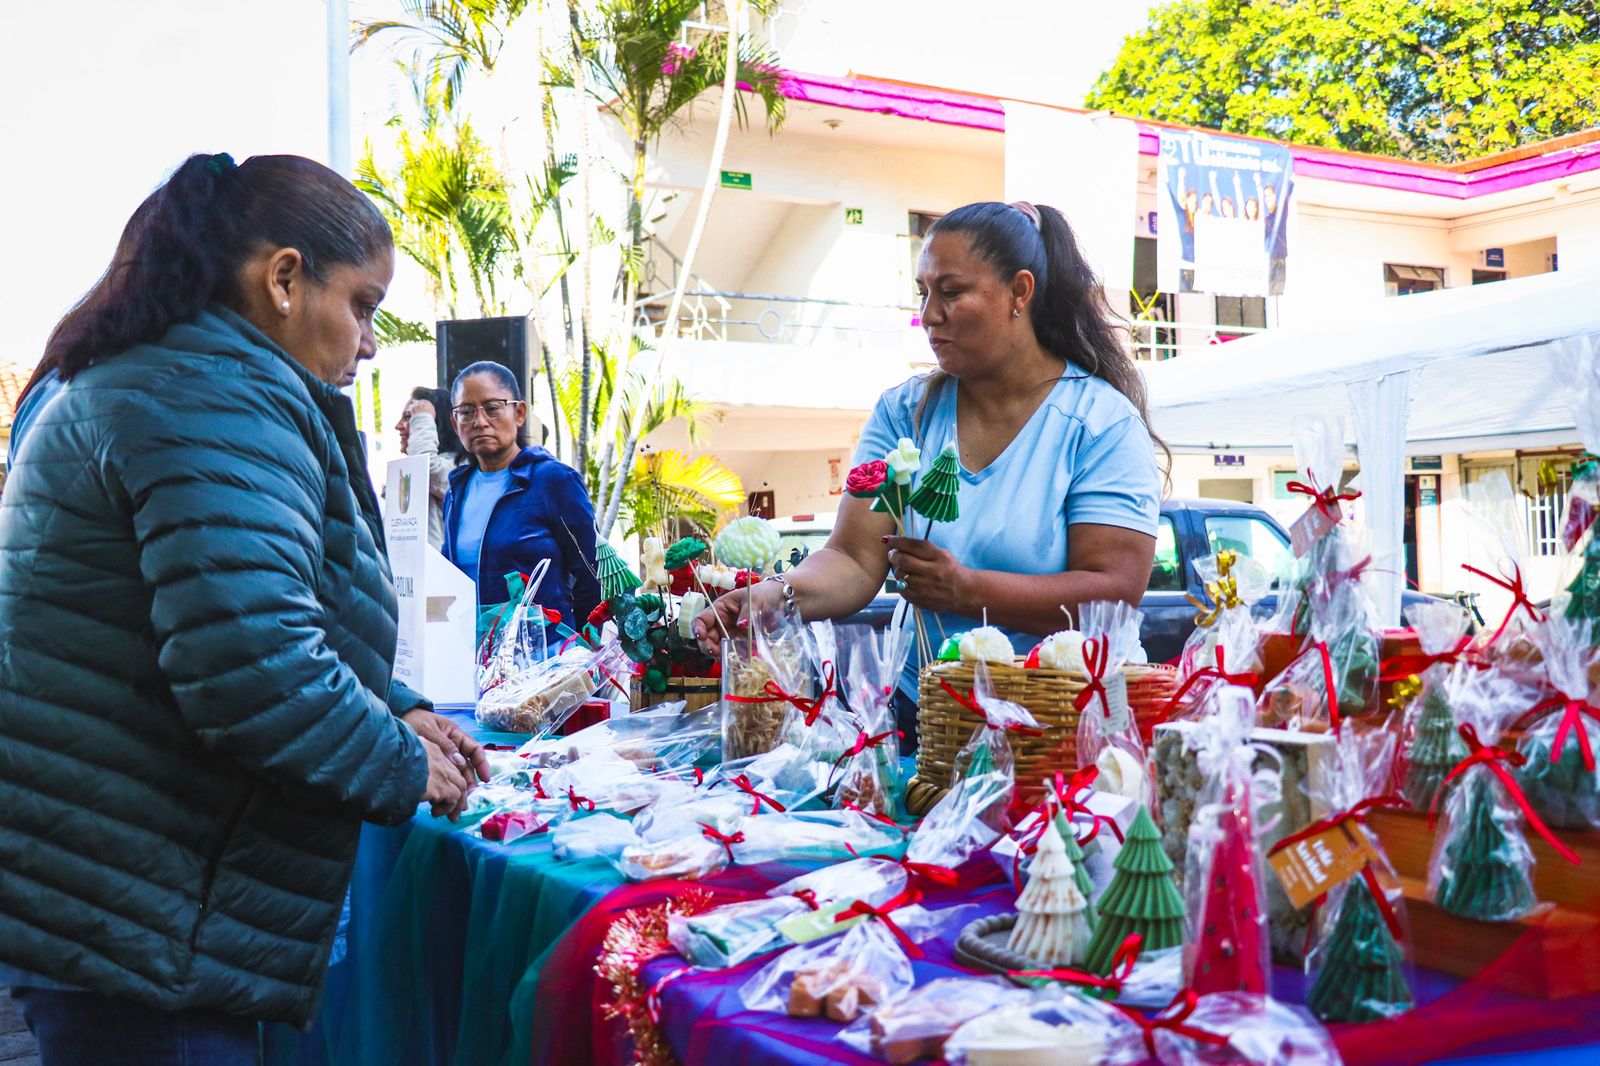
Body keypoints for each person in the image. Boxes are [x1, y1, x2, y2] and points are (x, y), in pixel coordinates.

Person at [0, 151, 490, 1065]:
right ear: (284, 279)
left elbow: (235, 617)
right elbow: (249, 671)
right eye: (363, 305)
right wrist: (399, 761)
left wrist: (395, 706)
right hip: (149, 921)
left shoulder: (171, 378)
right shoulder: (212, 397)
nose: (369, 342)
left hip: (123, 901)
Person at [694, 200, 1161, 748]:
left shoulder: (1100, 423)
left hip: (1064, 720)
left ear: (1020, 292)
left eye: (952, 292)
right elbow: (853, 559)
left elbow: (1113, 595)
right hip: (934, 713)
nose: (930, 315)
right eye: (923, 293)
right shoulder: (904, 413)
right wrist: (777, 595)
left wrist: (967, 590)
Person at [441, 360, 601, 638]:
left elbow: (594, 574)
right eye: (466, 412)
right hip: (472, 656)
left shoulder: (553, 481)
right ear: (455, 424)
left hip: (547, 657)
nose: (480, 421)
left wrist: (582, 648)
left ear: (519, 413)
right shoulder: (457, 490)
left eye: (492, 408)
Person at [395, 384, 468, 548]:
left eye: (409, 417)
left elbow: (426, 469)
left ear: (435, 423)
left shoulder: (461, 467)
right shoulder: (405, 471)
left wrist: (421, 418)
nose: (398, 426)